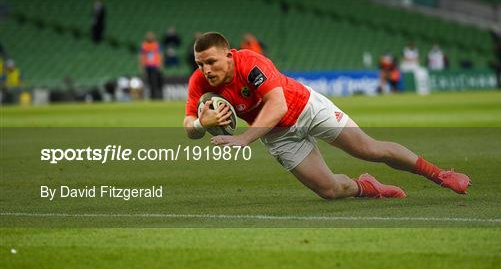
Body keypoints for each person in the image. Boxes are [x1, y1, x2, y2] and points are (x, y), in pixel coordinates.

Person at [183, 32, 471, 200]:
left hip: (306, 107)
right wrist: (200, 123)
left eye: (211, 61)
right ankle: (366, 186)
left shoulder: (251, 62)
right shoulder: (199, 82)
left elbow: (277, 105)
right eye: (200, 64)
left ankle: (440, 175)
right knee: (330, 191)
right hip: (277, 135)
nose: (206, 69)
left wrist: (245, 138)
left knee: (368, 148)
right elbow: (189, 128)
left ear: (229, 56)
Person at [139, 31, 163, 99]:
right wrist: (142, 65)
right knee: (149, 81)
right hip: (147, 66)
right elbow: (142, 56)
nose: (150, 37)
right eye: (149, 36)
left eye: (151, 36)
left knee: (154, 82)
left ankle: (155, 96)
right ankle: (151, 96)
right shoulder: (144, 45)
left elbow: (160, 55)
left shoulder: (156, 45)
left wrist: (160, 63)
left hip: (154, 66)